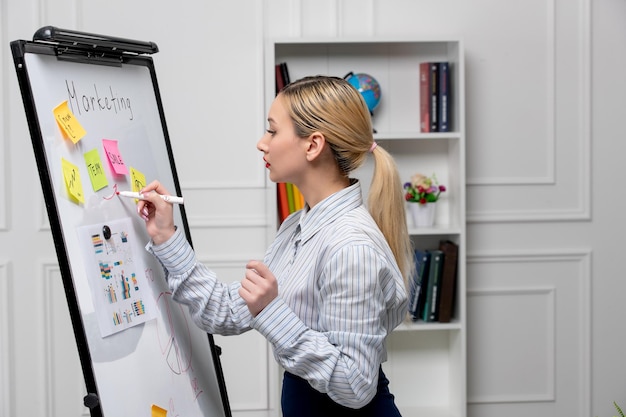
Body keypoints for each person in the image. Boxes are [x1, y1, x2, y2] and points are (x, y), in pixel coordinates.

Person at [137, 75, 414, 416]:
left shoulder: (350, 247)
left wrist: (271, 311)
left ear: (312, 145)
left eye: (272, 130)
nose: (261, 143)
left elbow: (354, 385)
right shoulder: (297, 226)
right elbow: (227, 312)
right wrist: (166, 237)